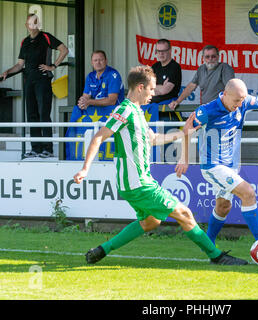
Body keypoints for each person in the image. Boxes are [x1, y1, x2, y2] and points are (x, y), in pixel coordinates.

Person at [73, 65, 248, 266]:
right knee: (184, 214)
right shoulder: (124, 110)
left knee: (151, 221)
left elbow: (154, 138)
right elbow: (98, 138)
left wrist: (184, 133)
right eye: (152, 89)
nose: (153, 93)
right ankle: (217, 256)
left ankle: (101, 251)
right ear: (140, 87)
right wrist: (85, 169)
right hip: (138, 184)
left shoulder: (136, 111)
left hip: (135, 183)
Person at [175, 79, 258, 246]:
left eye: (242, 100)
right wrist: (184, 158)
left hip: (231, 166)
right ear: (225, 93)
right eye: (236, 100)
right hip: (213, 166)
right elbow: (187, 129)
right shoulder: (207, 110)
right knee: (248, 192)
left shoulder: (243, 102)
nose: (239, 104)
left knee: (223, 206)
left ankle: (208, 245)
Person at [0, 14, 68, 158]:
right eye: (30, 22)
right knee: (31, 115)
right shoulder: (24, 42)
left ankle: (47, 149)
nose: (33, 25)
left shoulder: (46, 37)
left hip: (43, 80)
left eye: (36, 22)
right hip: (29, 81)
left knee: (44, 113)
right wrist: (7, 72)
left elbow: (64, 50)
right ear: (27, 25)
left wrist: (53, 66)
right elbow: (20, 65)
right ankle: (36, 148)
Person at [65, 50, 125, 161]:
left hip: (113, 116)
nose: (98, 62)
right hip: (98, 116)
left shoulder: (113, 75)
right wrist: (82, 102)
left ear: (106, 61)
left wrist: (89, 102)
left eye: (101, 60)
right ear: (92, 63)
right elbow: (86, 96)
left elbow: (112, 100)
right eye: (95, 60)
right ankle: (72, 155)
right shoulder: (90, 76)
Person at [168, 45, 234, 113]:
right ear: (203, 58)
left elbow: (232, 89)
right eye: (207, 57)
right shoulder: (201, 69)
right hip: (206, 110)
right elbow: (191, 86)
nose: (210, 59)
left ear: (218, 57)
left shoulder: (225, 68)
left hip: (221, 111)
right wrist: (177, 101)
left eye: (213, 56)